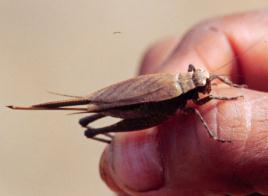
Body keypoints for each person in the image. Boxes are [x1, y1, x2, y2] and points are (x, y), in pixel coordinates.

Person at [99, 10, 268, 195]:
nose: (208, 86)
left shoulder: (187, 79)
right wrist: (224, 101)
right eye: (203, 84)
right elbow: (197, 108)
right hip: (152, 108)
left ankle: (118, 146)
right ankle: (118, 147)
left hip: (163, 96)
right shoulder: (191, 99)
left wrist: (232, 86)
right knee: (194, 111)